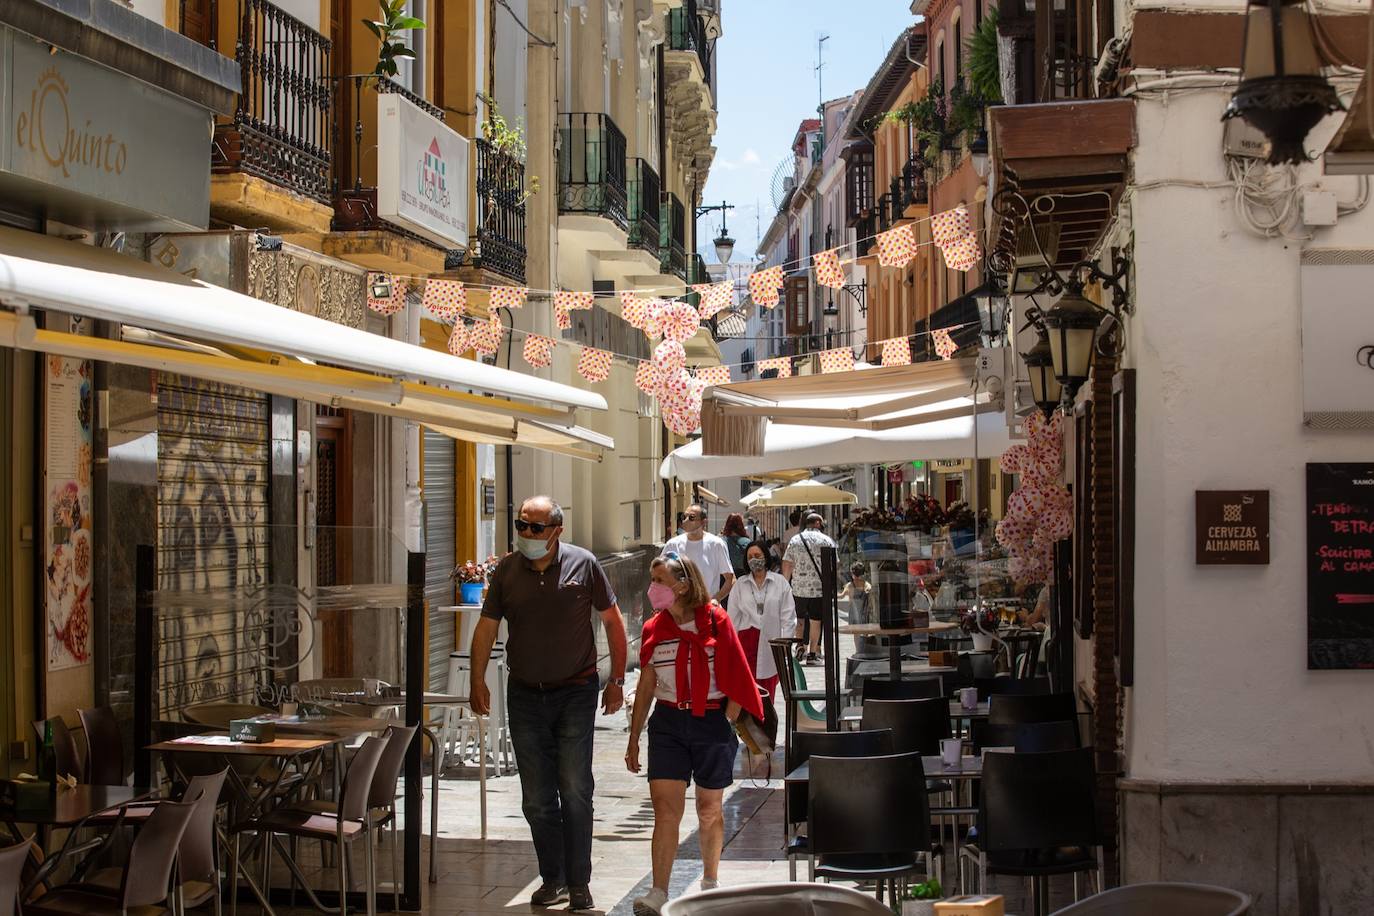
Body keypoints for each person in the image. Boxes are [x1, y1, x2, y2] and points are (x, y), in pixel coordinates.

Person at [471, 496, 628, 911]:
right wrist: (476, 679)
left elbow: (613, 620)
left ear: (557, 530)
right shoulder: (506, 569)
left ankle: (579, 883)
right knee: (537, 797)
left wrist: (617, 680)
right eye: (521, 525)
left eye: (536, 528)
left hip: (576, 691)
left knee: (575, 788)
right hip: (524, 694)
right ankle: (552, 878)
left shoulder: (584, 564)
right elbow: (487, 627)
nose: (527, 534)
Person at [625, 555, 764, 915]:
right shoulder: (655, 628)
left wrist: (727, 718)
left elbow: (737, 672)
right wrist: (634, 736)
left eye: (659, 580)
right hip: (668, 723)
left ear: (683, 585)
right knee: (665, 811)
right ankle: (658, 891)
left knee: (709, 808)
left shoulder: (716, 621)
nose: (652, 588)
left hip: (710, 721)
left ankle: (709, 882)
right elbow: (646, 684)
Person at [727, 541, 796, 701]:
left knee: (767, 694)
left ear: (765, 556)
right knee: (746, 694)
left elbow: (788, 617)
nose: (754, 559)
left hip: (771, 645)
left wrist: (785, 647)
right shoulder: (740, 586)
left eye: (757, 555)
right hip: (746, 645)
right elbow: (732, 619)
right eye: (750, 556)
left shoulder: (780, 583)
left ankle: (766, 725)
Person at [781, 512, 837, 665]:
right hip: (818, 589)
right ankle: (813, 654)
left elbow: (787, 563)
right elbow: (835, 564)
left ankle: (799, 646)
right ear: (818, 523)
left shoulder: (795, 540)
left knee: (799, 619)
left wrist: (785, 583)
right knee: (815, 621)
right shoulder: (827, 540)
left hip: (799, 588)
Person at [663, 504, 735, 604]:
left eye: (691, 517)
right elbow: (661, 574)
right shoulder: (672, 544)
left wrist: (716, 599)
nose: (685, 520)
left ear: (703, 522)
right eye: (684, 517)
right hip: (680, 610)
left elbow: (730, 579)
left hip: (706, 608)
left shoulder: (716, 544)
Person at [720, 513, 752, 581]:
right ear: (741, 525)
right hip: (743, 578)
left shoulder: (720, 542)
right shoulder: (747, 542)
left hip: (724, 579)